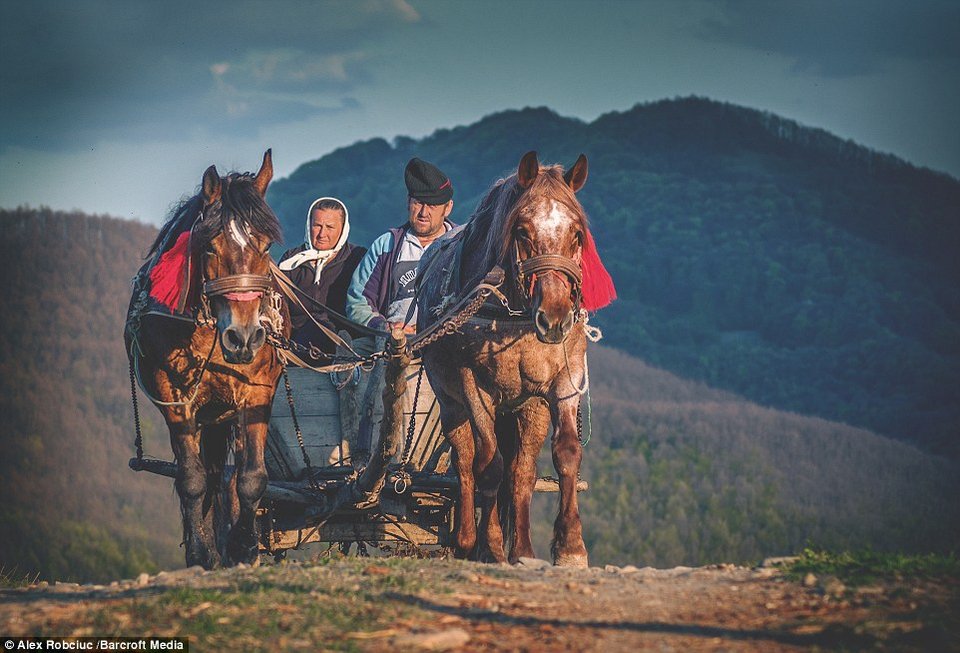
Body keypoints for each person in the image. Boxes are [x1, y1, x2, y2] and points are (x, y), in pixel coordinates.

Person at [346, 158, 456, 333]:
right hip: (391, 341)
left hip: (446, 338)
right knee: (351, 350)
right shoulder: (386, 245)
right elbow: (358, 301)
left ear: (448, 208)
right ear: (408, 202)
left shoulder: (461, 244)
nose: (423, 212)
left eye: (432, 205)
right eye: (418, 202)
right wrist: (383, 327)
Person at [278, 197, 366, 357]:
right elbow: (278, 306)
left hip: (343, 343)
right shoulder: (290, 260)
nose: (322, 234)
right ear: (308, 225)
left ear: (343, 229)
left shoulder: (357, 258)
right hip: (295, 344)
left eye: (330, 227)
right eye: (317, 226)